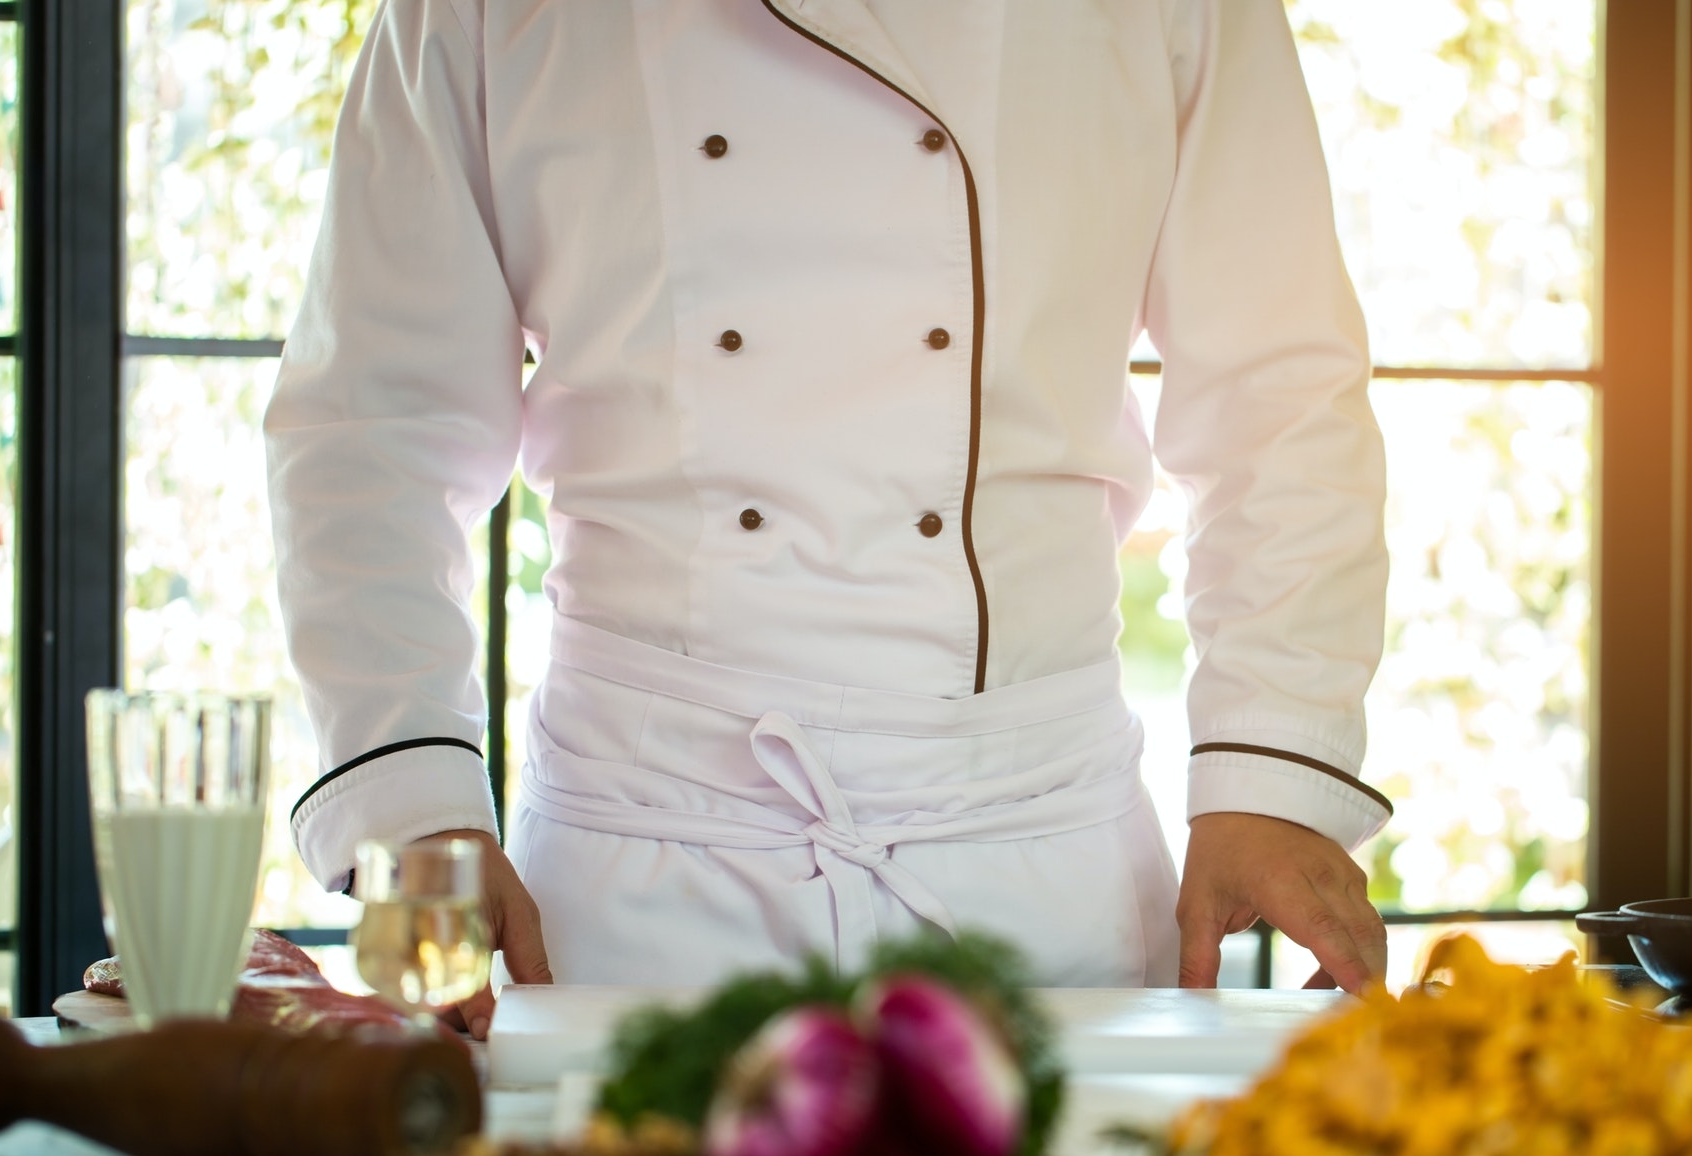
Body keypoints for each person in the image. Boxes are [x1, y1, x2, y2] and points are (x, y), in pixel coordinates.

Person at [267, 0, 1392, 1035]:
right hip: (643, 875)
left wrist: (1269, 775)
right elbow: (375, 425)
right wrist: (413, 803)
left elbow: (1275, 399)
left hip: (1033, 866)